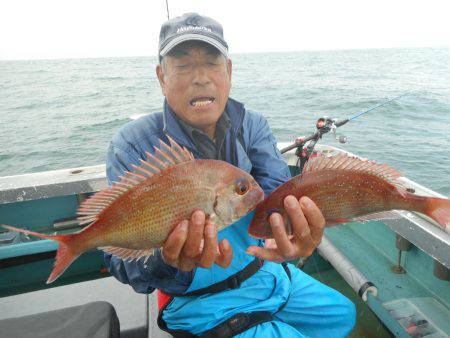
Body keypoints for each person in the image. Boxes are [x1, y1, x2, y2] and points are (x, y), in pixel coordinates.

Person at [105, 12, 356, 337]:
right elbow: (122, 262)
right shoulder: (135, 145)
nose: (200, 77)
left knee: (342, 315)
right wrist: (167, 262)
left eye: (212, 62)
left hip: (264, 270)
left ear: (229, 72)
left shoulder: (251, 126)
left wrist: (292, 235)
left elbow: (278, 197)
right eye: (182, 65)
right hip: (197, 300)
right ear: (161, 78)